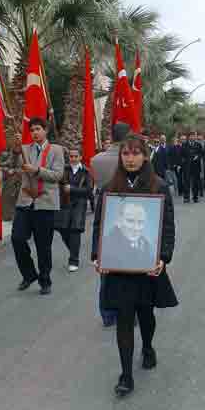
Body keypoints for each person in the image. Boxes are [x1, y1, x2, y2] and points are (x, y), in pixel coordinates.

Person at [92, 134, 177, 398]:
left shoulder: (159, 186)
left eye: (135, 153)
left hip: (148, 267)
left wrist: (163, 258)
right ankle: (126, 374)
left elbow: (167, 227)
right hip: (118, 269)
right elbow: (99, 226)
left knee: (146, 316)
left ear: (145, 155)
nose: (130, 159)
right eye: (126, 154)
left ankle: (148, 346)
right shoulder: (109, 188)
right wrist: (98, 255)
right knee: (124, 320)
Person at [11, 117, 65, 296]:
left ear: (45, 130)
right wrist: (16, 151)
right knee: (17, 238)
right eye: (32, 130)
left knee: (43, 246)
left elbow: (58, 175)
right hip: (25, 201)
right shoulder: (25, 149)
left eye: (37, 129)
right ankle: (29, 274)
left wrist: (37, 171)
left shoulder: (56, 150)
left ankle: (45, 280)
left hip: (45, 203)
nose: (34, 133)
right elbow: (13, 166)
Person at [91, 122, 132, 327]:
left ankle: (107, 313)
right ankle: (127, 311)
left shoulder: (96, 160)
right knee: (130, 268)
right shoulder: (131, 160)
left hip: (105, 212)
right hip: (129, 212)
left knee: (107, 267)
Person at [55, 148, 93, 272]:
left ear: (80, 157)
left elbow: (88, 190)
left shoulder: (86, 172)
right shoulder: (63, 170)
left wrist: (72, 189)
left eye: (76, 156)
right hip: (64, 203)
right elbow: (57, 183)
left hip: (79, 204)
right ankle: (74, 250)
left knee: (75, 230)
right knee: (62, 228)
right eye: (71, 156)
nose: (73, 158)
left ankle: (73, 260)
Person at [100, 201, 157, 270]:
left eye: (140, 222)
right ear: (119, 221)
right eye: (130, 221)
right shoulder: (107, 246)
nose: (136, 228)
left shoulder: (146, 245)